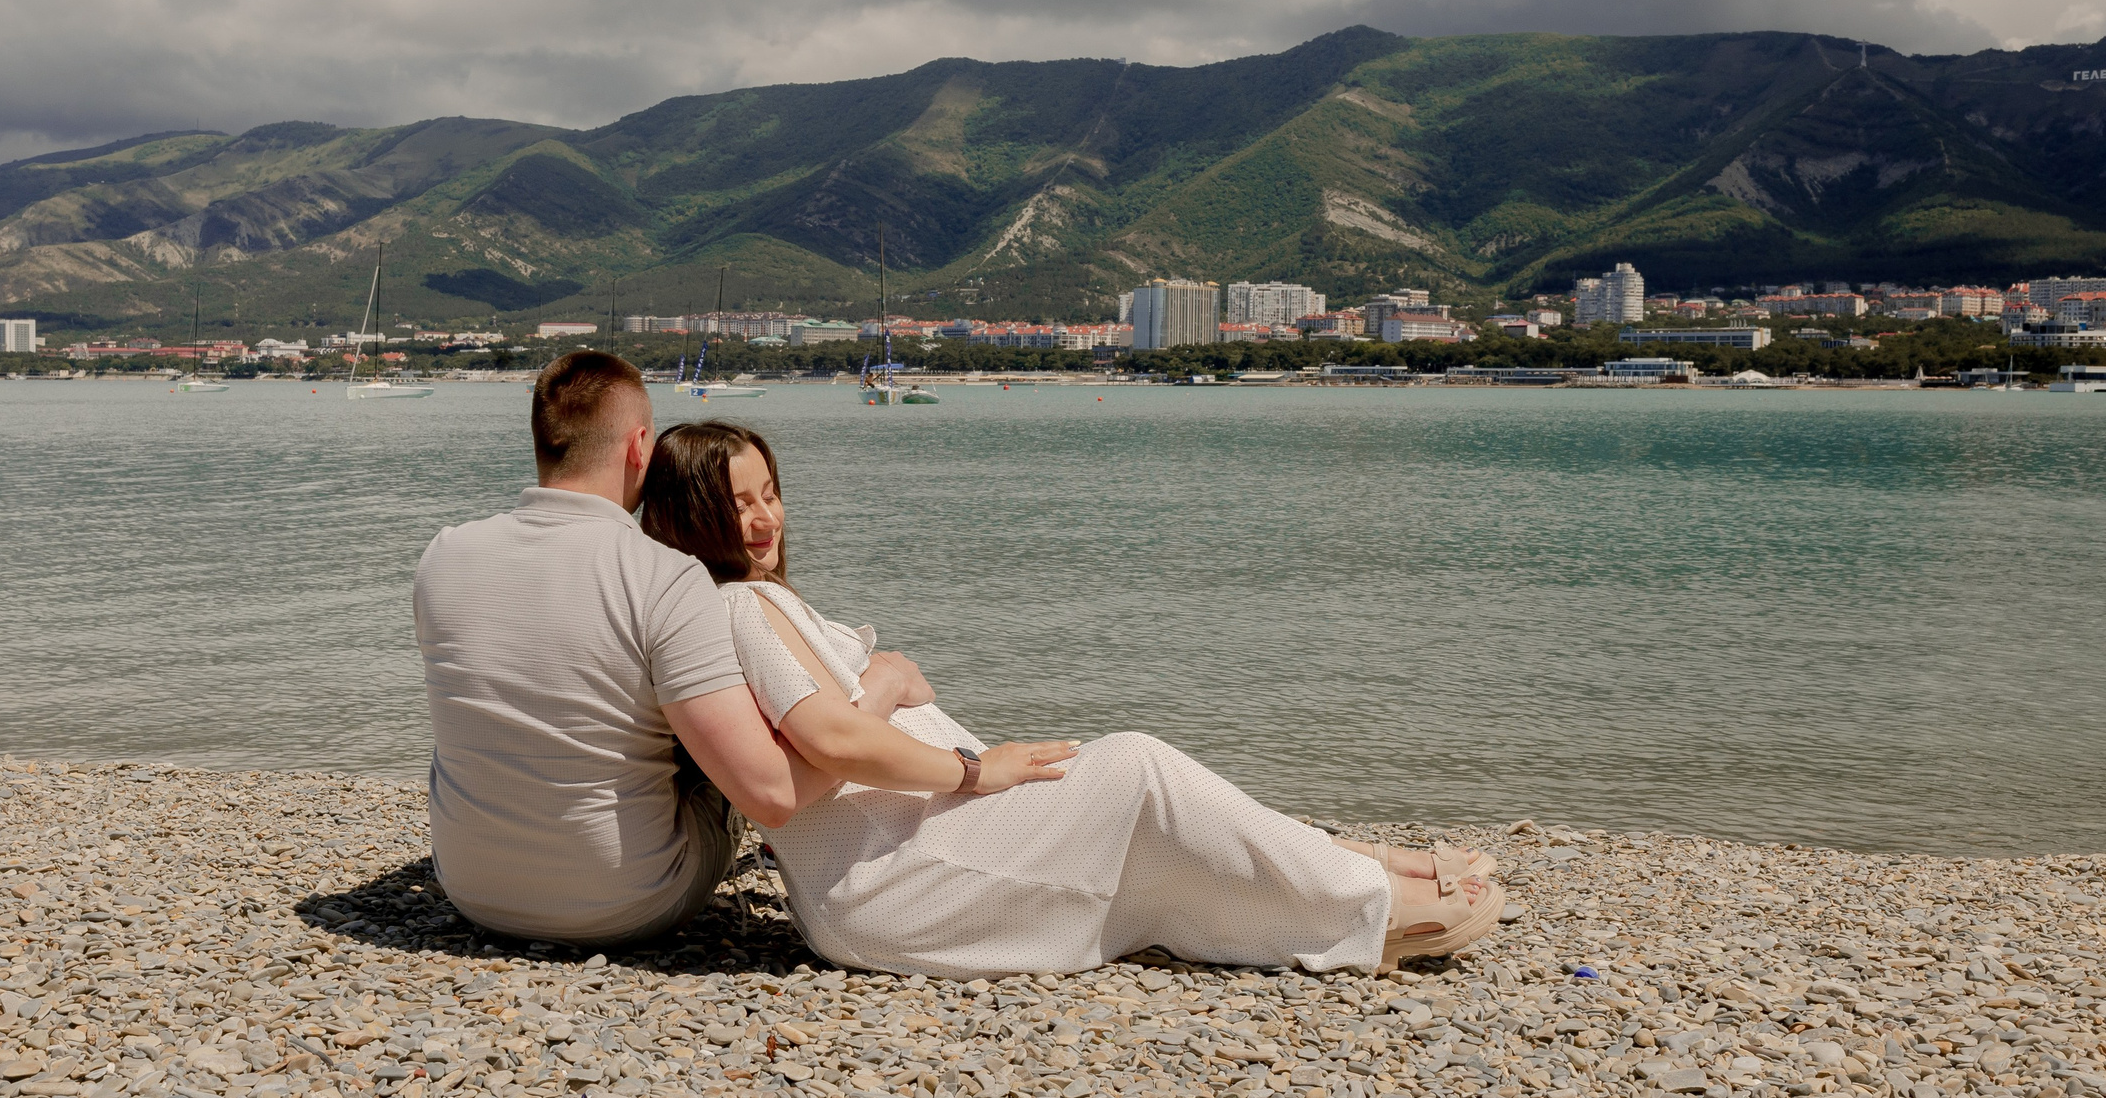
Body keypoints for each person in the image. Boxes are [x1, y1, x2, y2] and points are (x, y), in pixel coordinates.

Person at [635, 419, 1506, 978]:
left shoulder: (748, 601)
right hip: (891, 878)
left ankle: (1362, 862)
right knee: (1137, 769)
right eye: (737, 502)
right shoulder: (736, 605)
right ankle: (1372, 908)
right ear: (688, 515)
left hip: (908, 847)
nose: (764, 518)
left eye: (771, 493)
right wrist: (964, 757)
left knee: (1135, 794)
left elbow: (828, 739)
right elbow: (829, 740)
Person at [412, 352, 814, 947]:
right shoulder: (667, 576)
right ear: (639, 446)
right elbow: (772, 798)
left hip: (473, 892)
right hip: (631, 901)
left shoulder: (443, 555)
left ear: (544, 442)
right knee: (722, 752)